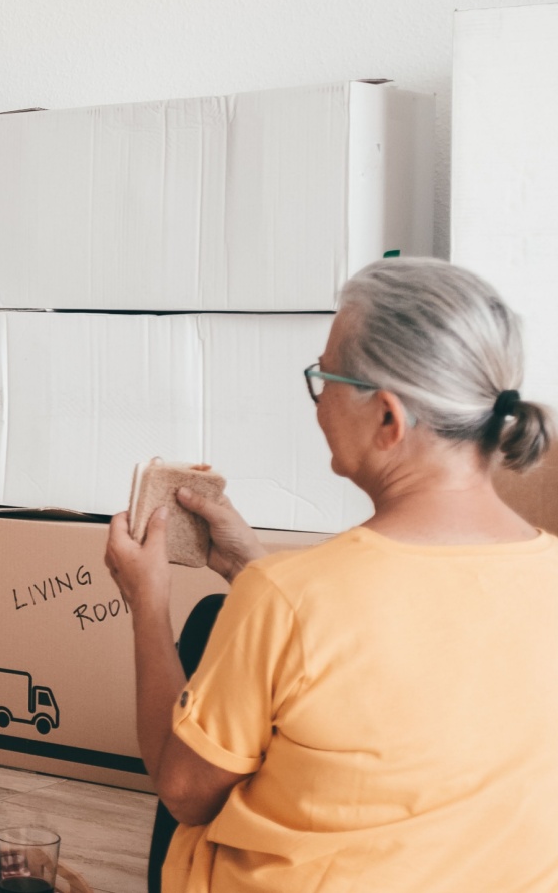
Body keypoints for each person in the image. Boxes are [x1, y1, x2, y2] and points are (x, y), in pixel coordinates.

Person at [104, 257, 558, 892]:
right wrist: (246, 565)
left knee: (202, 637)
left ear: (388, 419)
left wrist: (146, 601)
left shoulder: (289, 600)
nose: (318, 402)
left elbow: (183, 793)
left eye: (326, 378)